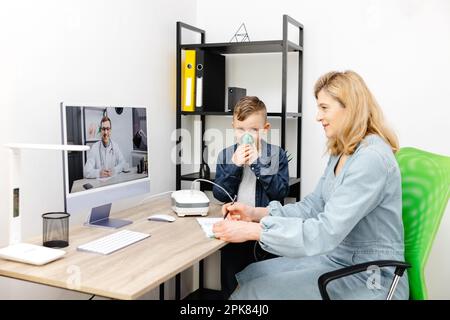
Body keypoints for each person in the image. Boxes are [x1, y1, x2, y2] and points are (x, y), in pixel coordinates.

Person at [212, 70, 409, 300]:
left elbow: (324, 232)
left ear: (350, 107)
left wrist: (253, 230)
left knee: (251, 292)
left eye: (324, 108)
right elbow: (313, 206)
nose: (317, 116)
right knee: (250, 275)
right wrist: (254, 213)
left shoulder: (370, 159)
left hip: (370, 275)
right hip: (338, 259)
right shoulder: (343, 152)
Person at [212, 96, 290, 299]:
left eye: (254, 130)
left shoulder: (276, 155)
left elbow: (279, 193)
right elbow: (220, 194)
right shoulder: (225, 155)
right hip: (234, 232)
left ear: (265, 128)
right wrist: (234, 165)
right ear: (233, 127)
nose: (246, 136)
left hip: (263, 232)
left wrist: (258, 164)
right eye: (240, 129)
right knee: (233, 286)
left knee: (264, 287)